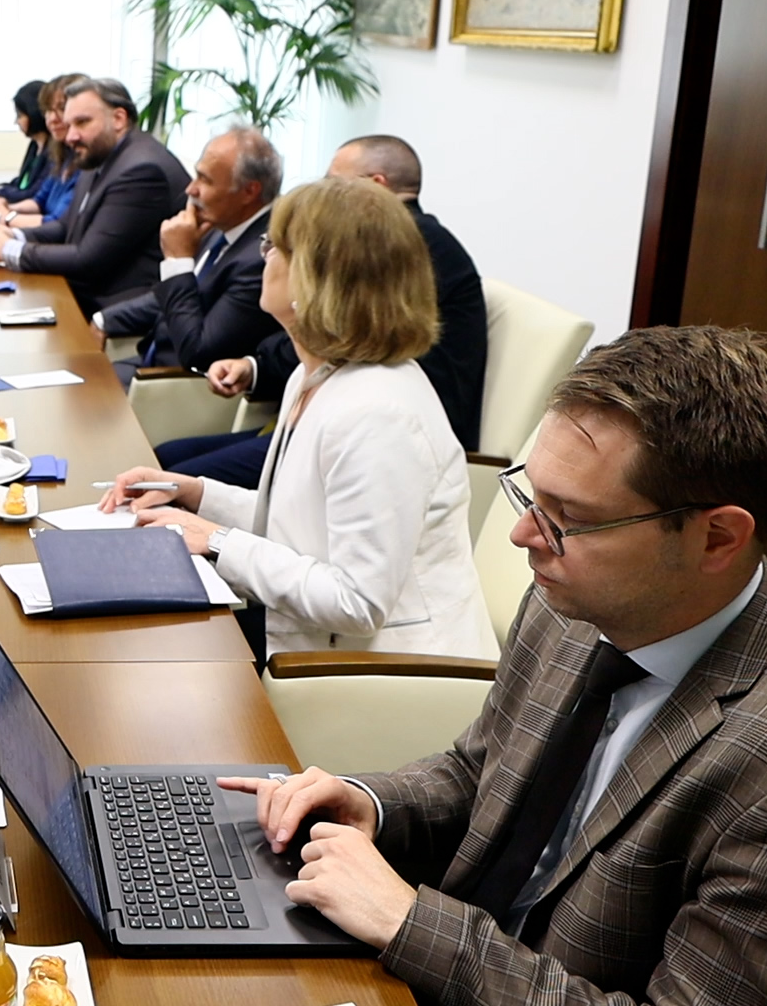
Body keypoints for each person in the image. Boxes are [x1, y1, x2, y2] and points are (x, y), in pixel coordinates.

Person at [221, 325, 767, 1005]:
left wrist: (411, 923)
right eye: (531, 497)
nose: (522, 535)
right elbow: (480, 773)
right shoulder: (574, 602)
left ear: (717, 537)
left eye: (566, 516)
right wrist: (372, 805)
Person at [101, 178, 495, 662]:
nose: (264, 257)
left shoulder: (377, 414)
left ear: (317, 277)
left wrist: (217, 541)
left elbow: (357, 603)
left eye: (274, 247)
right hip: (318, 643)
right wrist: (197, 494)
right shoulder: (317, 375)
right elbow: (301, 522)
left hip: (389, 672)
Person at [163, 135, 487, 485]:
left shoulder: (398, 244)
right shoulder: (390, 238)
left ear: (375, 186)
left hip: (384, 437)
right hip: (343, 410)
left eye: (334, 182)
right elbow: (330, 330)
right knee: (169, 463)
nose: (270, 258)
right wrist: (256, 366)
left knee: (174, 479)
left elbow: (341, 330)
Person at [0, 77, 189, 316]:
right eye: (69, 125)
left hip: (114, 309)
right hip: (83, 294)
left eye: (82, 122)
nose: (71, 136)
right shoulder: (99, 155)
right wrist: (16, 235)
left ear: (119, 119)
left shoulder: (141, 170)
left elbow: (88, 260)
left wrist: (10, 249)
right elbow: (65, 226)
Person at [94, 125, 283, 386]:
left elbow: (199, 352)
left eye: (205, 180)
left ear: (249, 192)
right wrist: (106, 319)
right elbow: (182, 296)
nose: (191, 190)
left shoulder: (262, 257)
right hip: (147, 362)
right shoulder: (222, 225)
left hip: (176, 384)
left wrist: (178, 261)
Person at [0, 73, 85, 229]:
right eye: (48, 111)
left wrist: (7, 216)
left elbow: (59, 224)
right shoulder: (62, 155)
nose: (52, 119)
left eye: (61, 109)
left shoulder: (86, 163)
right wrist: (7, 207)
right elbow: (39, 201)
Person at [0, 79, 50, 203]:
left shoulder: (54, 151)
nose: (16, 122)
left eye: (20, 116)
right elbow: (21, 183)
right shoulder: (34, 145)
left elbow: (31, 193)